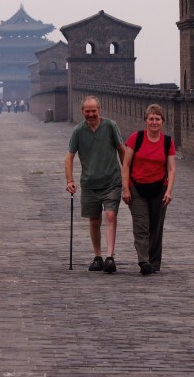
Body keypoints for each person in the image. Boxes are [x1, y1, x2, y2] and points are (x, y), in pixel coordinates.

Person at [65, 95, 125, 273]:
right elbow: (69, 157)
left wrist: (127, 178)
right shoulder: (78, 131)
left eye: (94, 111)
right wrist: (70, 180)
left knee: (110, 215)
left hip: (112, 181)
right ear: (82, 111)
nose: (91, 114)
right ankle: (98, 256)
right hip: (90, 183)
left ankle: (110, 257)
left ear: (99, 110)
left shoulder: (110, 126)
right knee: (94, 220)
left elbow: (122, 151)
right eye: (87, 111)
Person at [121, 104, 177, 275]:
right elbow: (126, 164)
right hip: (136, 188)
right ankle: (144, 261)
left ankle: (154, 262)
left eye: (157, 119)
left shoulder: (167, 142)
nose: (154, 122)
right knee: (141, 225)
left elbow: (171, 169)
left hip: (159, 188)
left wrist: (169, 191)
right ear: (145, 120)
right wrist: (126, 189)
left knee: (156, 225)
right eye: (151, 118)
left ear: (163, 121)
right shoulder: (136, 138)